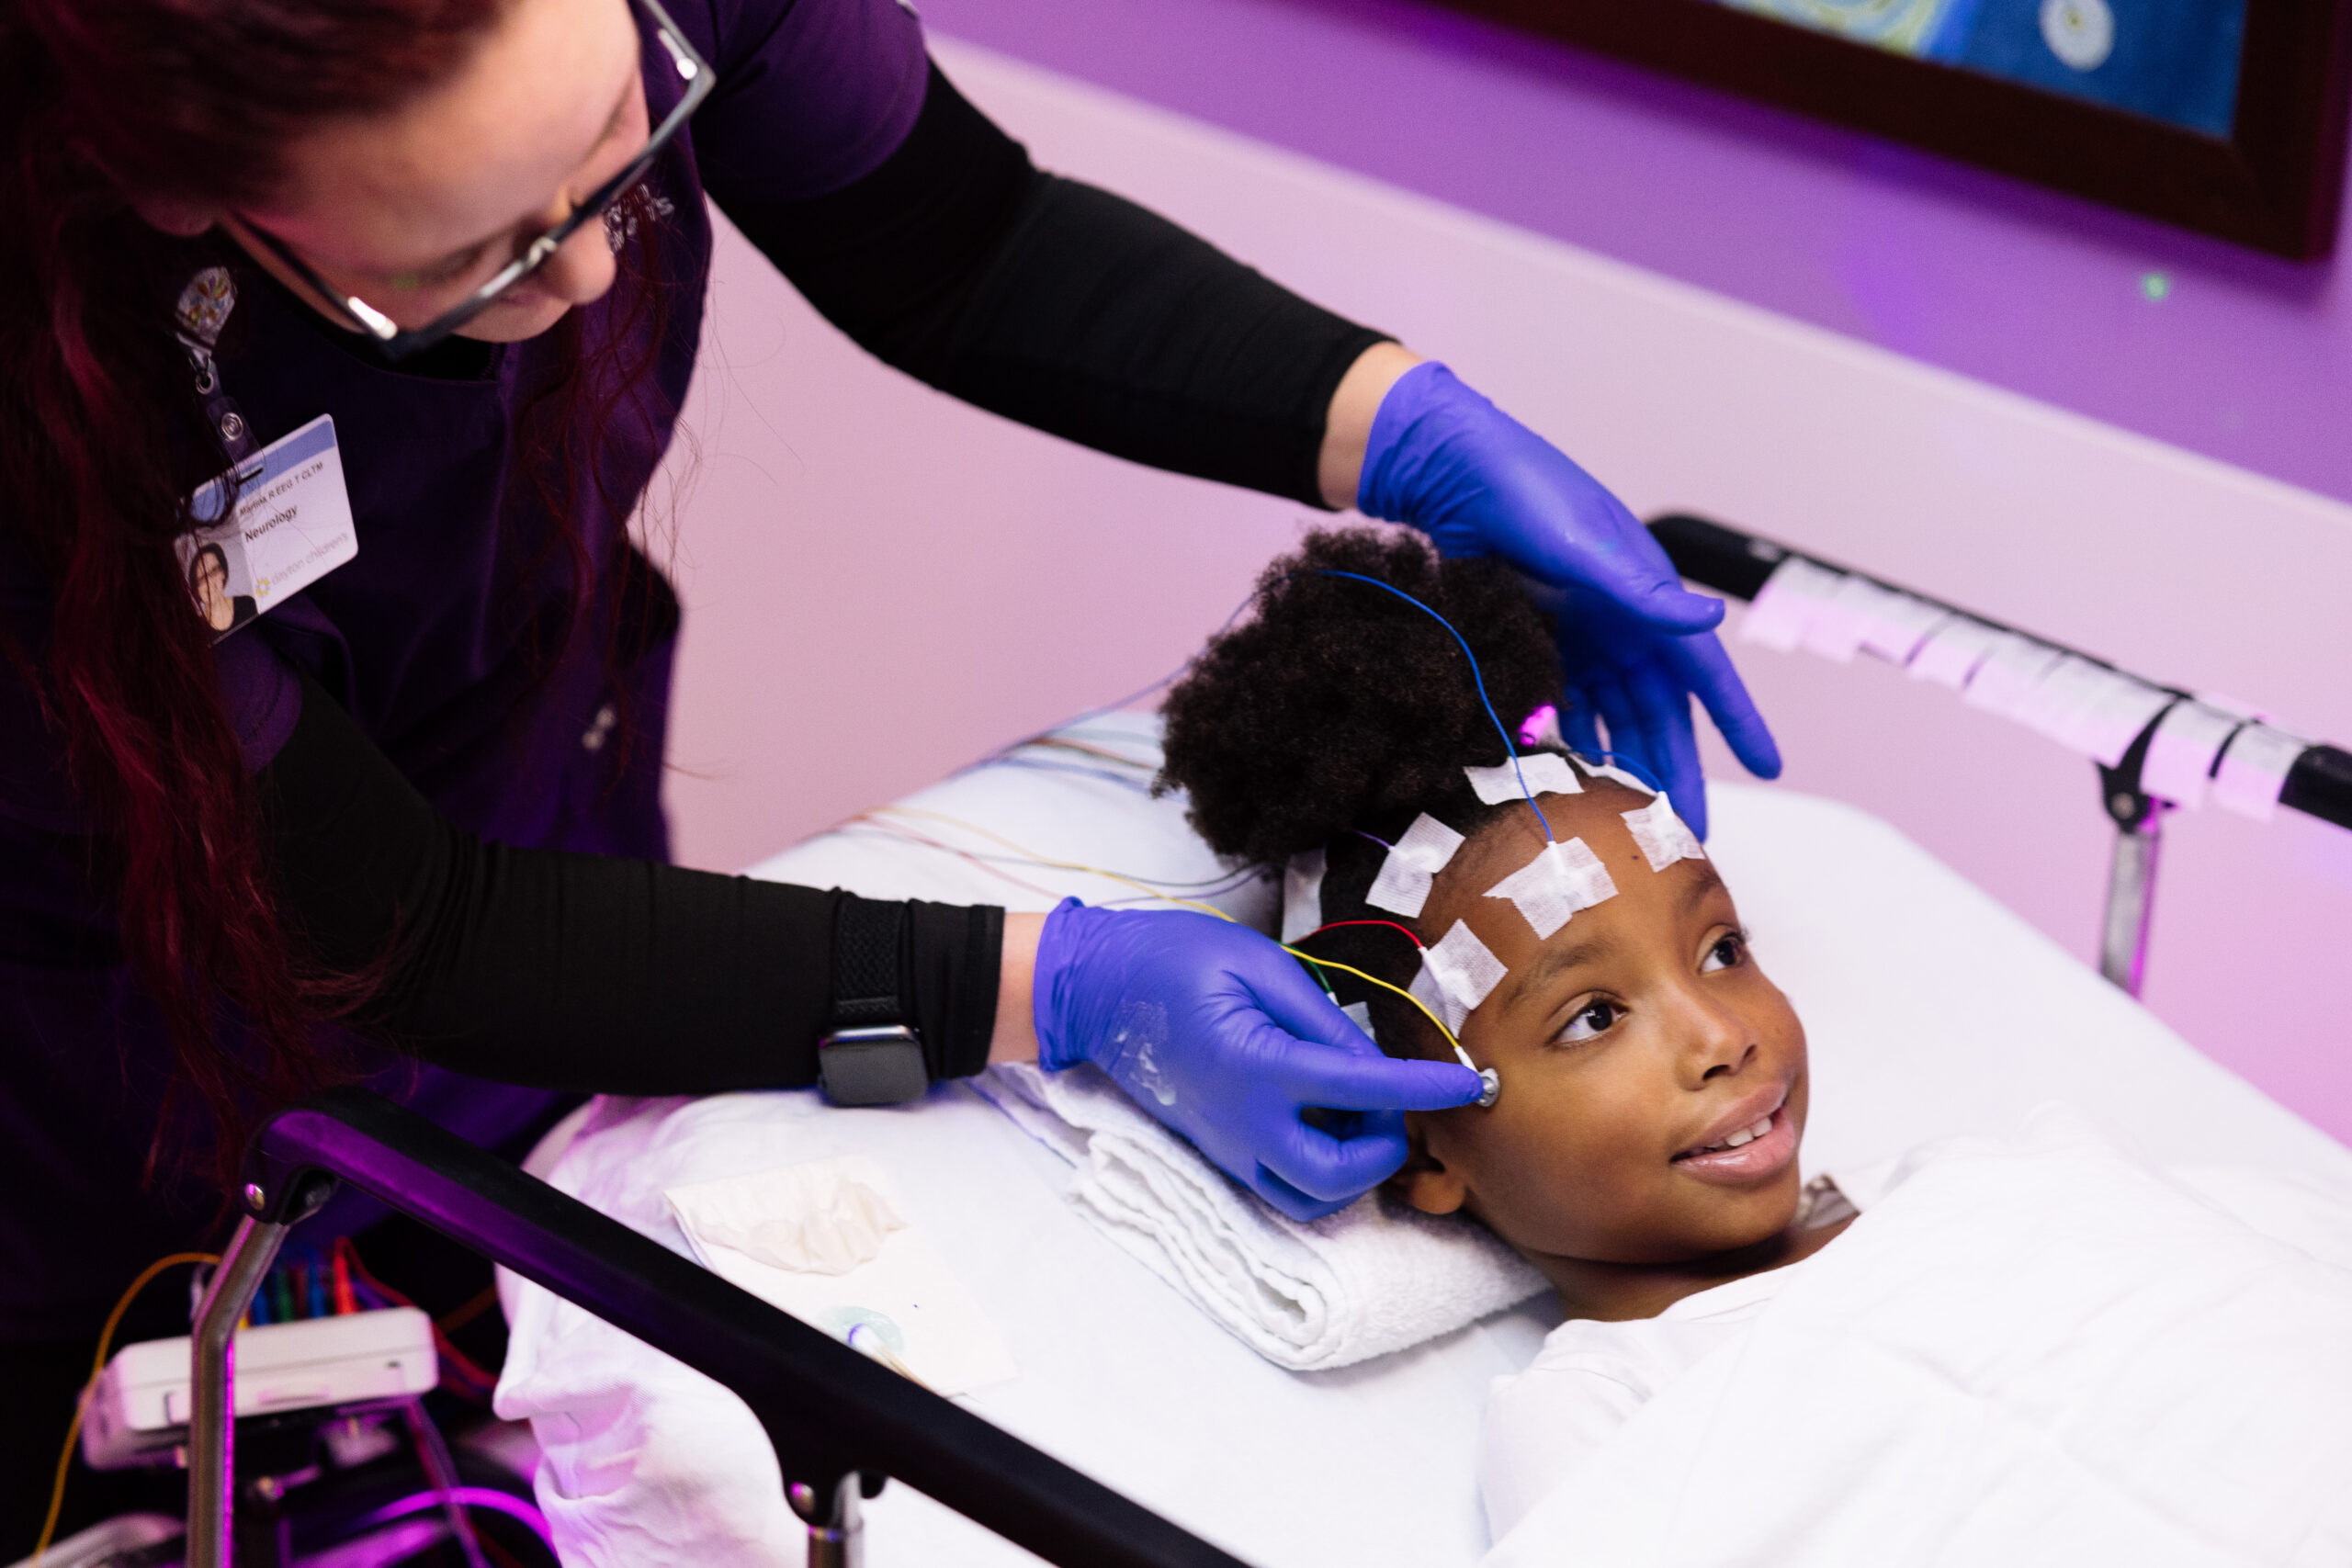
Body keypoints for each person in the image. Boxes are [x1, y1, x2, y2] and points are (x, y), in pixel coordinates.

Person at [0, 0, 1778, 1541]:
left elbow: (959, 239)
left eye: (628, 149)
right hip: (120, 1053)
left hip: (544, 790)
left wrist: (1392, 416)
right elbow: (416, 925)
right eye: (481, 261)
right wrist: (1049, 983)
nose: (605, 271)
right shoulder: (46, 405)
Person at [1157, 528, 2352, 1559]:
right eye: (1592, 1016)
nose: (1724, 1033)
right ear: (1431, 1147)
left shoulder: (1982, 1179)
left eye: (1721, 946)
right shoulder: (1600, 1411)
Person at [186, 541, 256, 634]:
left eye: (213, 571)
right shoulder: (196, 630)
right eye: (202, 578)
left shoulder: (247, 604)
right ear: (196, 587)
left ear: (223, 572)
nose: (209, 581)